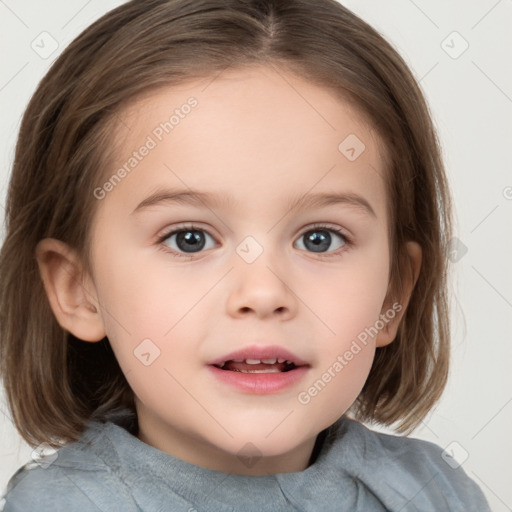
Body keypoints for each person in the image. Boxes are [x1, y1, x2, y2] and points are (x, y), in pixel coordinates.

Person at [0, 0, 491, 510]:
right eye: (189, 238)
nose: (262, 293)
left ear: (394, 290)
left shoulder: (435, 494)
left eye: (319, 238)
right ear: (78, 288)